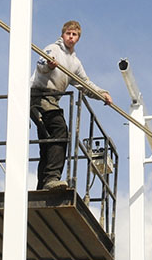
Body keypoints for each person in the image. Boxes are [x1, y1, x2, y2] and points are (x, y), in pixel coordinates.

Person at [29, 20, 112, 190]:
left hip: (52, 101)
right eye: (68, 34)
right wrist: (49, 66)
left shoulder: (74, 63)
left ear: (78, 38)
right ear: (63, 34)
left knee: (48, 142)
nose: (71, 37)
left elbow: (85, 84)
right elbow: (41, 65)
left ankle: (43, 185)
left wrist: (102, 94)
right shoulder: (53, 49)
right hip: (39, 97)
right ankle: (51, 179)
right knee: (60, 131)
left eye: (74, 35)